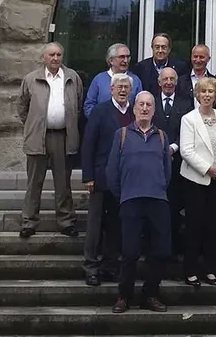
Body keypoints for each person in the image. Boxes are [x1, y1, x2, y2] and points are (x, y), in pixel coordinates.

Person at [106, 91, 171, 313]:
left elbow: (167, 171)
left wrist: (158, 188)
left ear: (154, 110)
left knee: (161, 251)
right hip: (131, 200)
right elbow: (112, 172)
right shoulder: (121, 134)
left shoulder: (161, 136)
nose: (144, 108)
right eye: (141, 104)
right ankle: (124, 296)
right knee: (130, 252)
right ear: (134, 108)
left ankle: (150, 294)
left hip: (157, 200)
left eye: (149, 105)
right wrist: (123, 195)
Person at [17, 42, 82, 239]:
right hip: (38, 136)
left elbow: (78, 105)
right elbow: (22, 107)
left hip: (63, 136)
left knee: (63, 183)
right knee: (34, 182)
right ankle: (29, 222)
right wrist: (34, 124)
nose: (55, 58)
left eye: (59, 55)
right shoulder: (31, 78)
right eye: (51, 55)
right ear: (44, 57)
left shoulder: (72, 77)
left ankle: (66, 222)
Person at [80, 73, 134, 286]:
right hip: (101, 178)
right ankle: (91, 267)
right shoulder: (100, 111)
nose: (122, 90)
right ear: (111, 89)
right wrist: (88, 176)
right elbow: (89, 144)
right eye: (118, 87)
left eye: (126, 87)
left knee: (116, 225)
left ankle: (111, 266)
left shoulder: (134, 112)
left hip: (124, 181)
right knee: (95, 225)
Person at [179, 77, 216, 287]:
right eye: (203, 92)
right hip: (195, 180)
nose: (207, 95)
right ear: (197, 95)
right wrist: (207, 169)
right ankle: (191, 270)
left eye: (211, 91)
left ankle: (211, 269)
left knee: (213, 227)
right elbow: (186, 150)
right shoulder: (188, 119)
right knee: (194, 226)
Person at [152, 67, 194, 255]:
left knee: (175, 210)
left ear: (176, 82)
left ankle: (174, 251)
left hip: (179, 164)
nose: (168, 82)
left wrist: (174, 147)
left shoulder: (186, 103)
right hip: (154, 165)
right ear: (159, 82)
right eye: (165, 79)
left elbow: (189, 131)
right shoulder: (150, 102)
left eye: (172, 79)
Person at [83, 43, 142, 117]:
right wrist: (98, 121)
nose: (126, 60)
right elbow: (89, 106)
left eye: (128, 57)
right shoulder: (99, 80)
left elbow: (140, 106)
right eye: (122, 57)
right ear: (111, 60)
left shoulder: (135, 80)